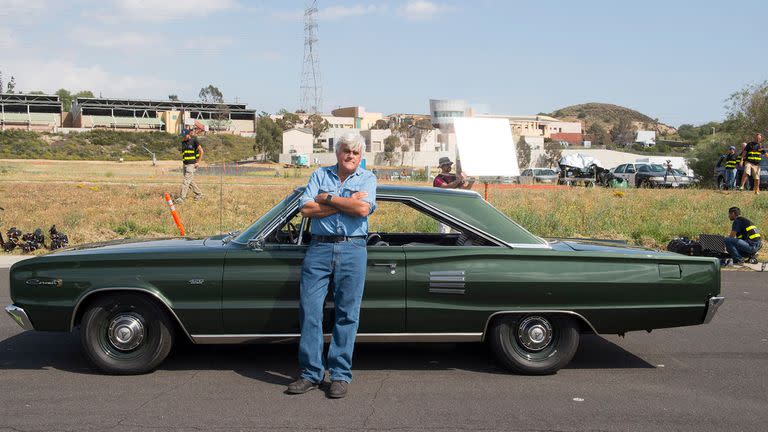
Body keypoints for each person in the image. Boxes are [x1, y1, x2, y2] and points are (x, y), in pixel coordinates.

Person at [287, 133, 376, 399]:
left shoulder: (368, 178)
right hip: (319, 247)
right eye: (346, 150)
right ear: (337, 152)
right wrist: (346, 202)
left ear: (361, 156)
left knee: (347, 313)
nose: (351, 156)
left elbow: (362, 211)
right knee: (310, 310)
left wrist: (326, 199)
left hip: (354, 248)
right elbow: (306, 210)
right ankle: (311, 373)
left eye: (356, 152)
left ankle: (339, 375)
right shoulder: (319, 174)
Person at [433, 157, 472, 233]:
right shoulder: (438, 178)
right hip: (444, 210)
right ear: (442, 166)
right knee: (444, 233)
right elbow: (446, 187)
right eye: (446, 165)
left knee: (457, 234)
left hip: (456, 209)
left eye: (449, 164)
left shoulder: (455, 177)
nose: (449, 166)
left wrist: (471, 181)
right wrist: (458, 180)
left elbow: (465, 189)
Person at [177, 127, 204, 203]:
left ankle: (182, 198)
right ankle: (199, 194)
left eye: (184, 135)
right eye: (182, 135)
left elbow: (201, 151)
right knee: (190, 181)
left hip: (191, 164)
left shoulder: (194, 141)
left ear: (188, 134)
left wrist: (198, 162)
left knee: (186, 181)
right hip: (185, 164)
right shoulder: (183, 142)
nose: (183, 136)